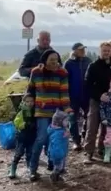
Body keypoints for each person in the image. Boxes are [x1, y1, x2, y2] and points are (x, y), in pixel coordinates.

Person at [27, 49, 72, 181]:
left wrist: (67, 109)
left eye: (56, 59)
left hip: (57, 114)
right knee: (41, 139)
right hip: (41, 111)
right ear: (45, 60)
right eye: (51, 59)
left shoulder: (62, 73)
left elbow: (64, 93)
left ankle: (55, 168)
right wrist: (28, 100)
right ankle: (33, 169)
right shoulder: (36, 72)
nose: (54, 62)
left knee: (55, 140)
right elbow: (30, 89)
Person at [84, 42, 111, 163]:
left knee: (107, 128)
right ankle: (89, 152)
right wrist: (99, 95)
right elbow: (87, 85)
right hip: (96, 100)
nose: (106, 52)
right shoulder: (93, 66)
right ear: (100, 51)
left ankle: (103, 149)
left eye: (108, 50)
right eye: (104, 50)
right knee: (92, 126)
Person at [64, 42, 92, 150]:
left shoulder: (88, 61)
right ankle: (76, 141)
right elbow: (65, 80)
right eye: (80, 49)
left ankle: (85, 137)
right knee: (72, 119)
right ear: (74, 51)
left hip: (86, 95)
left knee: (88, 117)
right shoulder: (69, 63)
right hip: (73, 95)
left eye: (83, 49)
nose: (83, 51)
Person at [8, 94, 36, 179]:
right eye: (27, 101)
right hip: (22, 136)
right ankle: (13, 168)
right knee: (19, 153)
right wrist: (23, 125)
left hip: (31, 136)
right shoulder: (21, 112)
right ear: (24, 102)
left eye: (31, 101)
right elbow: (16, 122)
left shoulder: (35, 111)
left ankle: (31, 170)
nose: (29, 103)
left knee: (30, 153)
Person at [47, 110, 70, 183]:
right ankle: (54, 177)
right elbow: (56, 146)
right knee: (58, 167)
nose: (67, 122)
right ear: (58, 122)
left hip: (62, 152)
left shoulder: (59, 129)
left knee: (60, 166)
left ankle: (58, 175)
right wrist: (59, 155)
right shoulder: (58, 134)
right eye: (66, 121)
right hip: (58, 154)